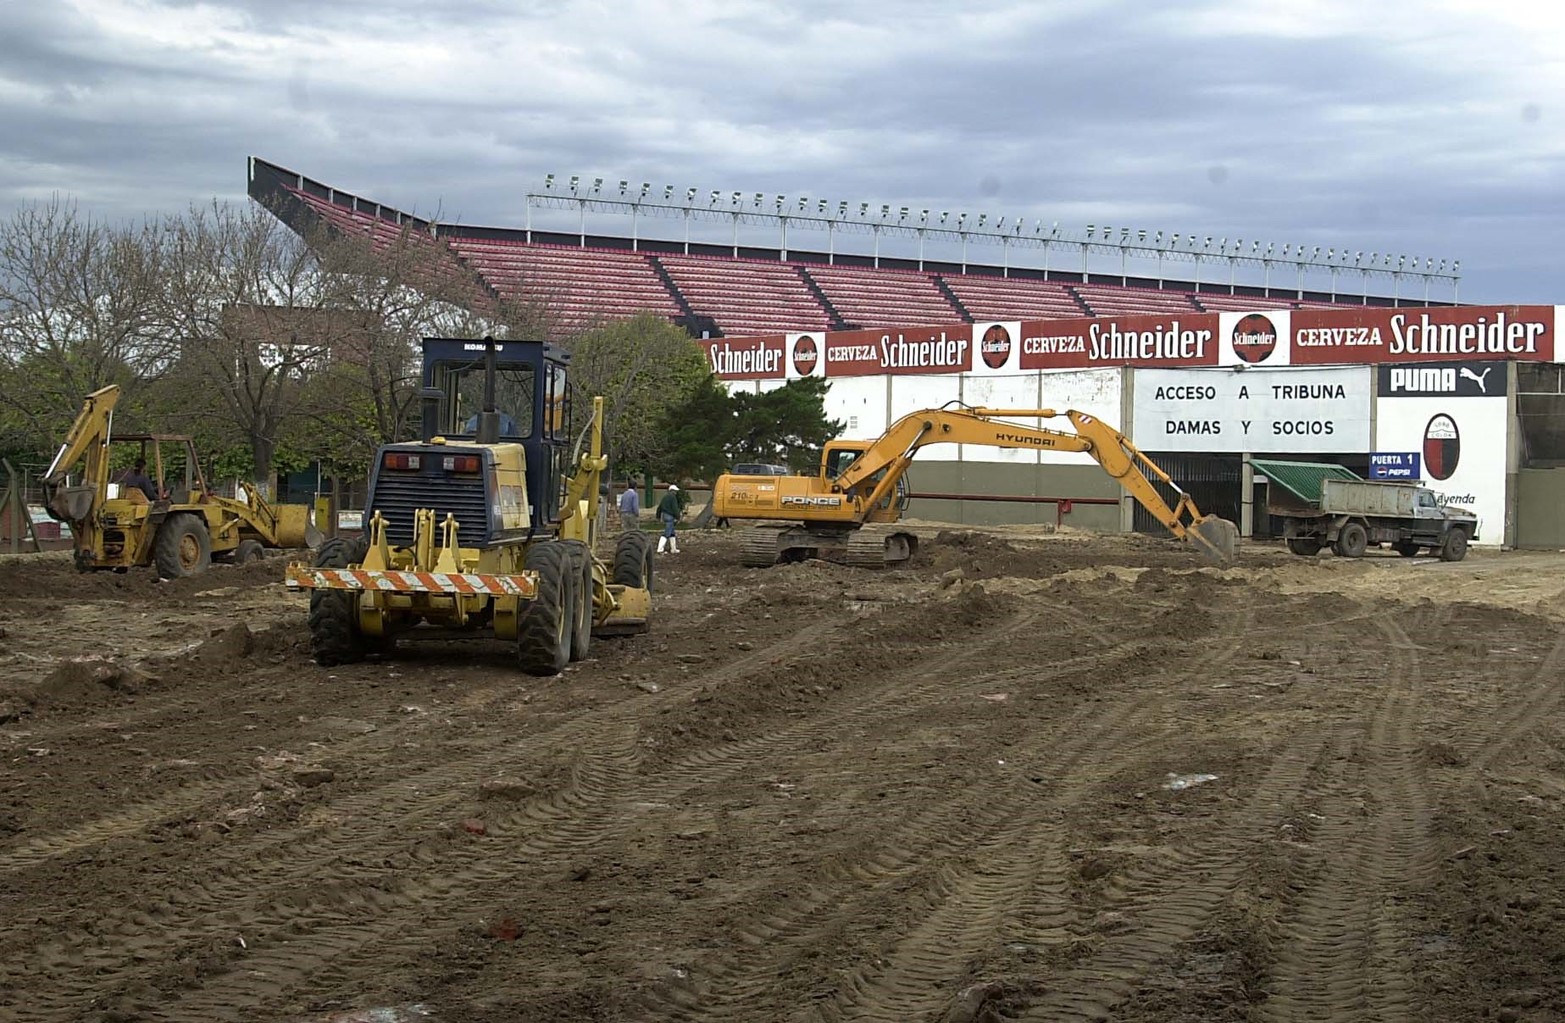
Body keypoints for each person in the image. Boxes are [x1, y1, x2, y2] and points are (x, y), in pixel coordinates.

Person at [656, 484, 682, 554]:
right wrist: (678, 517)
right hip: (670, 516)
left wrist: (658, 517)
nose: (676, 492)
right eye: (675, 491)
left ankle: (673, 549)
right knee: (667, 533)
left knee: (672, 533)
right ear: (672, 491)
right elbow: (674, 508)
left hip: (664, 515)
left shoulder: (665, 497)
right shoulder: (673, 497)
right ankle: (660, 549)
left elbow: (659, 507)